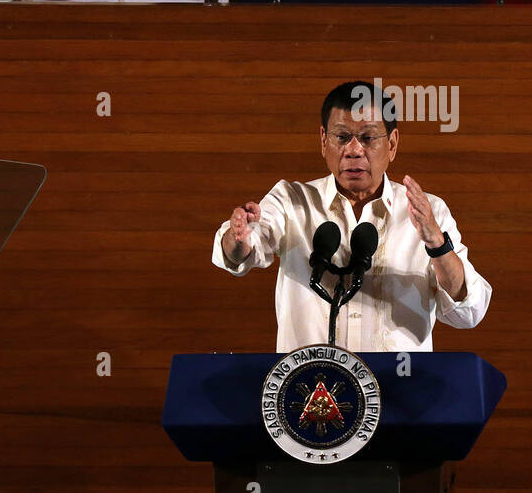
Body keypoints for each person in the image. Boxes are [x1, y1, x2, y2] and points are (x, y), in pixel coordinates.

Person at [211, 81, 492, 353]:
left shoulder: (427, 212)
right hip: (312, 394)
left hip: (398, 392)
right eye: (342, 137)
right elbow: (240, 253)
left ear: (392, 144)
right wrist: (238, 239)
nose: (354, 150)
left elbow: (468, 312)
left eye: (368, 138)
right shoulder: (292, 201)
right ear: (324, 141)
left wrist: (437, 244)